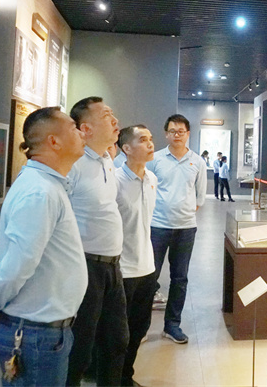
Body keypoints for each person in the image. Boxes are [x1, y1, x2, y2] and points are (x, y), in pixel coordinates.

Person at [0, 107, 88, 386]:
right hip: (34, 335)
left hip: (43, 332)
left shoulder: (48, 186)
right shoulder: (39, 192)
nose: (81, 133)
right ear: (54, 141)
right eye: (73, 128)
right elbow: (18, 264)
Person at [65, 97, 127, 387]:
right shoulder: (74, 165)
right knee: (80, 345)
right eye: (106, 115)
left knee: (117, 341)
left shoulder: (107, 160)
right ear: (86, 128)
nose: (115, 121)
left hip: (113, 266)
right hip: (85, 265)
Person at [147, 114, 207, 344]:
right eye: (172, 131)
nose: (177, 135)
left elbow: (200, 196)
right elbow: (146, 188)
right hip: (158, 226)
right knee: (149, 278)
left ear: (188, 134)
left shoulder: (197, 162)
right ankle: (141, 327)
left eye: (181, 131)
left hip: (185, 229)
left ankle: (172, 325)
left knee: (179, 278)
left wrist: (184, 212)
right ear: (166, 134)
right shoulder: (155, 159)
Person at [115, 125, 158, 387]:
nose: (150, 144)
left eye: (151, 139)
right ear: (127, 148)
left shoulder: (152, 179)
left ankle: (126, 375)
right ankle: (113, 378)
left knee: (140, 327)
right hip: (122, 269)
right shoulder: (115, 181)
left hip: (147, 267)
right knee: (118, 333)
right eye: (143, 140)